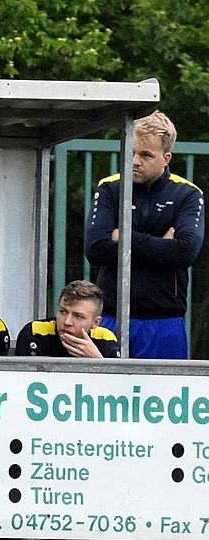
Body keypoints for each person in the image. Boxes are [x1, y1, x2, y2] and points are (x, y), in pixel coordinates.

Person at [85, 111, 204, 359]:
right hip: (110, 316)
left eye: (146, 155)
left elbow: (185, 252)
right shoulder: (110, 187)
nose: (135, 161)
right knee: (106, 394)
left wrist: (123, 236)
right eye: (130, 153)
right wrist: (161, 245)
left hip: (164, 320)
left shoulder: (187, 194)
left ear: (166, 158)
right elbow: (95, 248)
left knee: (164, 395)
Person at [15, 280, 119, 358]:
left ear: (95, 323)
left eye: (78, 316)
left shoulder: (105, 338)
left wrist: (97, 361)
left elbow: (117, 385)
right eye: (63, 311)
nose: (67, 322)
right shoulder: (36, 333)